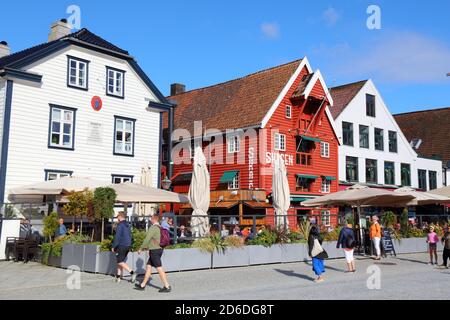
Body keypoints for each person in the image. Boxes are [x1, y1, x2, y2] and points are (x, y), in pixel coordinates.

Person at [135, 213, 171, 293]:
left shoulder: (153, 227)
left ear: (154, 219)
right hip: (159, 249)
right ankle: (142, 285)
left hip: (154, 250)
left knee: (159, 268)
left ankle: (167, 286)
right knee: (148, 267)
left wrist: (141, 248)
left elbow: (147, 239)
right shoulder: (160, 227)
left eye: (151, 218)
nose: (150, 219)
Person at [111, 212, 136, 283]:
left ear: (120, 216)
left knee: (120, 261)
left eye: (117, 216)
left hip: (122, 245)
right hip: (128, 245)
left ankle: (132, 273)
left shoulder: (120, 225)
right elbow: (130, 236)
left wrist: (113, 246)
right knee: (120, 261)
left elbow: (117, 237)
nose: (117, 217)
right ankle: (118, 277)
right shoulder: (127, 225)